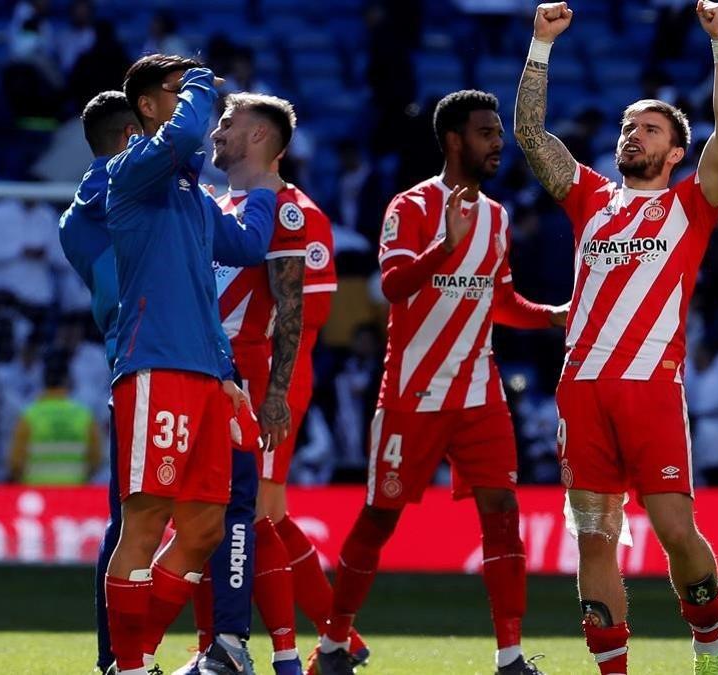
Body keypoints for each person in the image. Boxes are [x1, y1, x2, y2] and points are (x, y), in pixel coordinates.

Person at [513, 2, 718, 673]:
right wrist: (540, 45)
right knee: (594, 537)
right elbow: (530, 134)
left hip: (650, 389)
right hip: (580, 390)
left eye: (649, 128)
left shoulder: (690, 204)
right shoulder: (588, 196)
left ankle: (709, 644)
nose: (632, 135)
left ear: (676, 151)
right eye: (626, 126)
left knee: (674, 530)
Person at [319, 89, 566, 675]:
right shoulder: (409, 206)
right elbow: (395, 287)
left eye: (499, 134)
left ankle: (509, 656)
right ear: (454, 139)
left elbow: (499, 300)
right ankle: (332, 644)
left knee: (502, 509)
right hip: (414, 393)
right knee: (380, 516)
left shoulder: (499, 216)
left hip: (480, 393)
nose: (498, 143)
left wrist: (550, 313)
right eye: (486, 133)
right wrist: (444, 245)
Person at [60, 88, 277, 675]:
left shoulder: (184, 198)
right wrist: (199, 77)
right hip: (147, 363)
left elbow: (249, 245)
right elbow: (174, 146)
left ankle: (133, 658)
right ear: (135, 139)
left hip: (202, 368)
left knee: (202, 525)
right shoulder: (104, 187)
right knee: (136, 520)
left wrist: (260, 192)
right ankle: (121, 660)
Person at [175, 92, 365, 675]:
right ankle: (319, 641)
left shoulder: (294, 212)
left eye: (228, 123)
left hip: (263, 377)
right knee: (233, 515)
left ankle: (292, 648)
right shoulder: (220, 202)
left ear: (260, 137)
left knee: (253, 514)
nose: (216, 132)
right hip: (216, 372)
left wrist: (277, 393)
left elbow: (303, 319)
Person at [6, 350, 102, 485]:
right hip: (74, 496)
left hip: (39, 497)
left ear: (43, 379)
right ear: (67, 378)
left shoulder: (29, 417)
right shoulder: (84, 417)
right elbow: (96, 461)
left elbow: (15, 464)